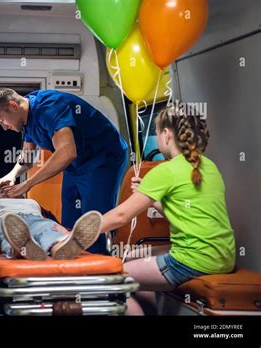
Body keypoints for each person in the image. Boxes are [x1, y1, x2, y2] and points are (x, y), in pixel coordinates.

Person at [97, 105, 236, 315]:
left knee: (113, 281)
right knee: (133, 255)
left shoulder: (165, 170)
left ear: (167, 134)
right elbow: (184, 212)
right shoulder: (209, 167)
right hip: (222, 257)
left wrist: (79, 233)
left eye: (156, 132)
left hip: (192, 260)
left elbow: (121, 215)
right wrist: (152, 200)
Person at [0, 88, 128, 253]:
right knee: (69, 220)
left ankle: (95, 266)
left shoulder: (50, 107)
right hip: (76, 165)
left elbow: (67, 152)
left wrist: (27, 185)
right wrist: (12, 175)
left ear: (13, 106)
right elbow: (28, 157)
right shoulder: (26, 117)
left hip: (102, 159)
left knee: (92, 219)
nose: (3, 127)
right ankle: (66, 257)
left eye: (1, 120)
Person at [0, 184, 103, 260]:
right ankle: (17, 249)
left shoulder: (32, 203)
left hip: (36, 220)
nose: (7, 190)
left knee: (49, 230)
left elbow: (51, 221)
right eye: (2, 190)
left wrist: (67, 232)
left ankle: (61, 248)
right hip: (4, 221)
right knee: (7, 231)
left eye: (11, 187)